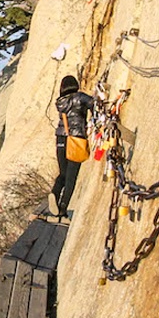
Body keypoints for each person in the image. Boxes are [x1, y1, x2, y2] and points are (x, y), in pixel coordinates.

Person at [52, 75, 98, 219]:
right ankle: (62, 209)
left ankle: (54, 194)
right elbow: (94, 104)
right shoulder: (80, 97)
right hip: (76, 139)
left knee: (63, 174)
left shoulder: (60, 103)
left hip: (61, 138)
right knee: (71, 178)